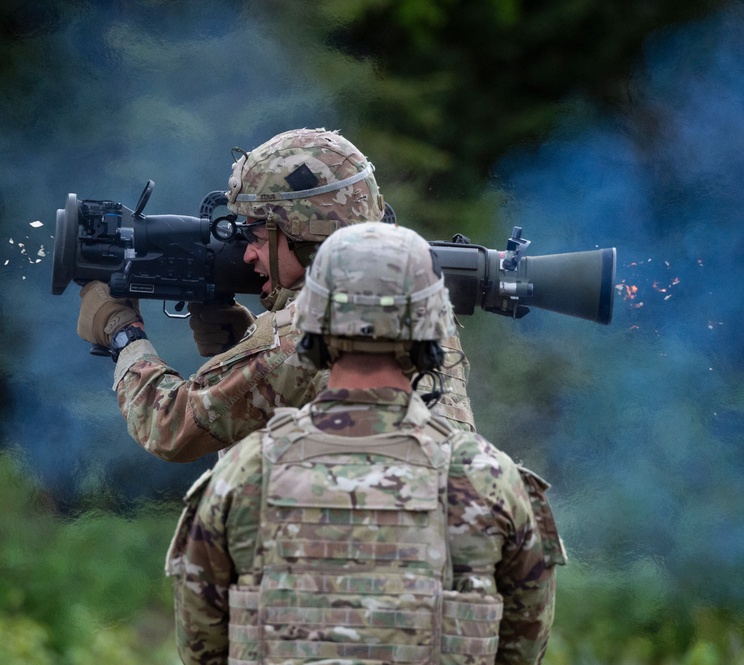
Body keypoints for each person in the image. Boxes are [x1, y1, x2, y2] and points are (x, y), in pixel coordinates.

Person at [165, 222, 567, 665]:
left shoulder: (245, 473)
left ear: (312, 321)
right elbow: (523, 649)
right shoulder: (488, 480)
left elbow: (202, 649)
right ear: (431, 325)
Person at [77, 128, 475, 463]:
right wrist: (247, 340)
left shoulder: (302, 331)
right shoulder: (418, 301)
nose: (248, 253)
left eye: (255, 233)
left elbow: (169, 427)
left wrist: (122, 333)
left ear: (302, 233)